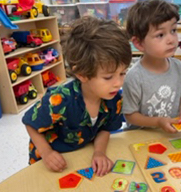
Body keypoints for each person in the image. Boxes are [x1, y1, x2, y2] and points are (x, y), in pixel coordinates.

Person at [22, 16, 132, 176]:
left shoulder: (115, 99)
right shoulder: (59, 100)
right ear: (82, 74)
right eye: (108, 77)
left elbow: (105, 128)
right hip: (51, 159)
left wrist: (99, 152)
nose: (118, 83)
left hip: (80, 155)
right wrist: (46, 153)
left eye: (122, 73)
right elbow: (30, 123)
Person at [122, 0, 181, 133]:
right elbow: (130, 115)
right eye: (160, 35)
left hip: (170, 134)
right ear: (139, 44)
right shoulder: (134, 77)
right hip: (140, 137)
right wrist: (158, 122)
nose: (171, 40)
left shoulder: (179, 67)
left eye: (173, 30)